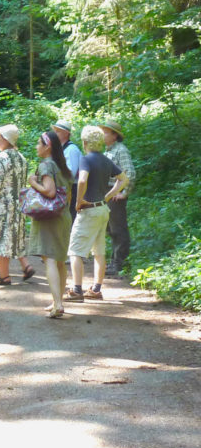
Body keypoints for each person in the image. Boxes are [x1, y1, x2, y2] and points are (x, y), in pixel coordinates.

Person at [66, 126, 128, 303]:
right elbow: (124, 179)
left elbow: (83, 179)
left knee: (75, 250)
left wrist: (79, 201)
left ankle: (77, 289)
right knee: (99, 251)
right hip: (102, 209)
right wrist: (108, 196)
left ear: (84, 142)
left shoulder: (86, 160)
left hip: (89, 209)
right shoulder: (106, 159)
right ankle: (96, 289)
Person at [0, 124, 34, 285]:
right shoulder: (22, 158)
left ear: (4, 139)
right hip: (17, 206)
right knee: (10, 239)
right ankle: (4, 275)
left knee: (1, 239)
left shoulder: (1, 158)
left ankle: (4, 277)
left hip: (2, 207)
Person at [26, 130, 73, 318]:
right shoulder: (63, 166)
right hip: (63, 216)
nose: (36, 147)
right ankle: (57, 301)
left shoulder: (46, 165)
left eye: (39, 143)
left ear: (48, 147)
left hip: (49, 218)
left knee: (50, 260)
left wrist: (32, 182)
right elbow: (66, 194)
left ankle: (58, 305)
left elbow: (50, 192)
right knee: (60, 260)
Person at [102, 120, 136, 278]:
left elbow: (129, 173)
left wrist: (124, 193)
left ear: (115, 136)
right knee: (110, 228)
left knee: (118, 228)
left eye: (106, 132)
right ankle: (114, 261)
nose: (103, 134)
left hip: (115, 193)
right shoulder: (108, 150)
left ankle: (119, 263)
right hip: (109, 192)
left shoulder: (121, 150)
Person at [51, 119, 83, 221]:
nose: (55, 134)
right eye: (55, 131)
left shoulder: (71, 150)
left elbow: (70, 174)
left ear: (66, 133)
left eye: (58, 131)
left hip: (72, 190)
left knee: (70, 219)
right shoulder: (61, 149)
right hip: (64, 189)